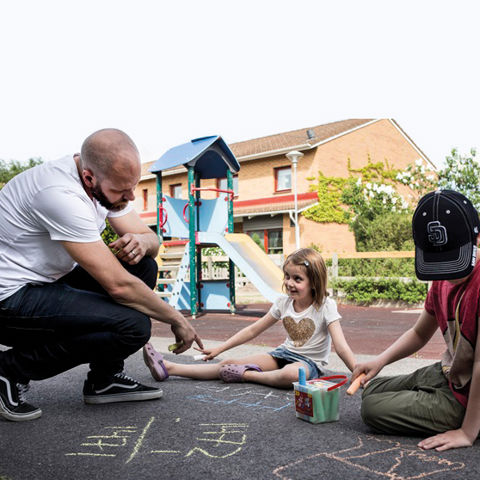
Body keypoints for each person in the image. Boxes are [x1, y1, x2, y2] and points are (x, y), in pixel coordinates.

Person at [0, 128, 202, 422]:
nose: (130, 196)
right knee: (132, 326)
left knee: (142, 265)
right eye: (122, 191)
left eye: (132, 186)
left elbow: (152, 241)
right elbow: (118, 287)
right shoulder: (59, 194)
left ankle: (105, 379)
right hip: (9, 298)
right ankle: (9, 370)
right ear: (89, 178)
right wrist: (177, 319)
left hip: (47, 281)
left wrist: (143, 241)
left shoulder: (107, 181)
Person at [352, 189, 480, 451]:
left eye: (453, 262)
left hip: (470, 391)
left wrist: (467, 432)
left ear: (475, 239)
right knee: (372, 389)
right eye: (438, 262)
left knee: (371, 408)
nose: (446, 272)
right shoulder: (441, 278)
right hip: (451, 374)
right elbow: (420, 333)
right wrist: (380, 361)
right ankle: (437, 401)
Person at [143, 248, 356, 388]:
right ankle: (169, 368)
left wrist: (357, 371)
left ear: (315, 282)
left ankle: (247, 375)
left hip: (310, 363)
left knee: (293, 375)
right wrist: (220, 349)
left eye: (297, 279)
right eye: (288, 277)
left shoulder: (325, 307)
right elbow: (253, 330)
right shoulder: (283, 303)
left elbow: (342, 346)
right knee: (228, 363)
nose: (290, 283)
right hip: (283, 354)